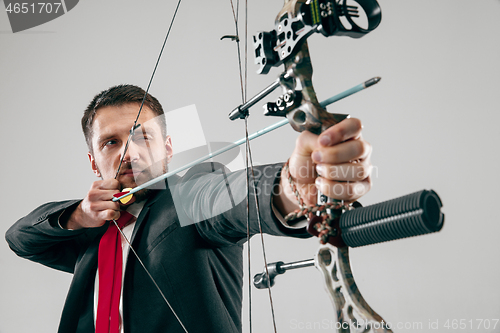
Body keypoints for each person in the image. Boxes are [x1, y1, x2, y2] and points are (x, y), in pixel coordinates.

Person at [5, 85, 372, 333]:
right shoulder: (89, 232)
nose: (128, 152)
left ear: (167, 148)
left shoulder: (190, 195)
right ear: (93, 160)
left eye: (141, 136)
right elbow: (20, 238)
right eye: (111, 142)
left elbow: (231, 196)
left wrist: (293, 185)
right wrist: (79, 216)